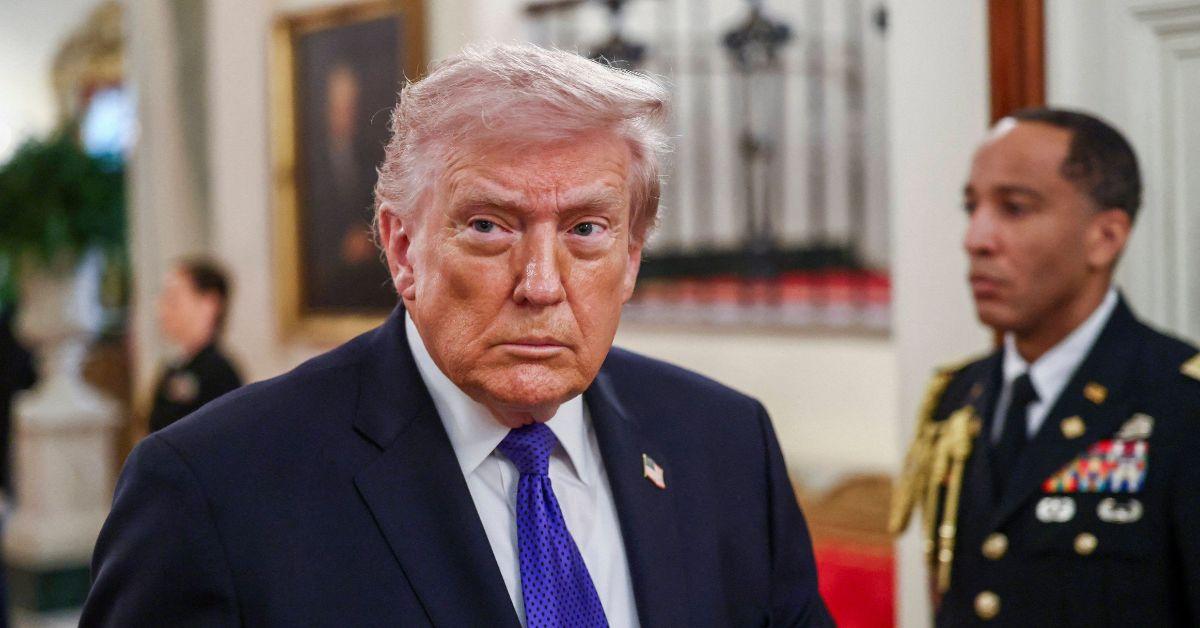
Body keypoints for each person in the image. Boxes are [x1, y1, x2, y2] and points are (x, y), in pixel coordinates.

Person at [82, 44, 832, 626]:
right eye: (488, 226)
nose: (541, 282)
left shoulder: (727, 446)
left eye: (586, 229)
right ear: (403, 249)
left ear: (631, 258)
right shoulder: (215, 490)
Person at [890, 108, 1200, 626]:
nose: (976, 238)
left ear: (1104, 237)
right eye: (972, 207)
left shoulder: (1180, 404)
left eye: (1014, 208)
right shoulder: (960, 396)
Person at [147, 258, 242, 433]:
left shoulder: (220, 374)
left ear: (209, 304)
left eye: (173, 298)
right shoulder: (174, 367)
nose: (161, 308)